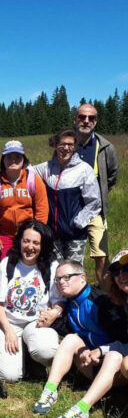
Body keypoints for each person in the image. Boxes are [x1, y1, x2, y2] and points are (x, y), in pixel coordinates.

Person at [34, 258, 128, 418]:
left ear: (83, 278)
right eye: (58, 279)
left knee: (114, 355)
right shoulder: (70, 303)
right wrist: (50, 321)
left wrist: (101, 351)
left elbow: (121, 339)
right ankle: (50, 390)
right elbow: (71, 330)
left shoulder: (102, 302)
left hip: (115, 369)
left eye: (67, 277)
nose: (61, 282)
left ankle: (82, 408)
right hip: (92, 364)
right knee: (70, 339)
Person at [0, 220, 63, 383]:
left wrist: (54, 313)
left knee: (46, 351)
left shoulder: (52, 266)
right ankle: (19, 354)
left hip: (36, 324)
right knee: (9, 376)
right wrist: (8, 330)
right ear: (19, 241)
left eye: (36, 243)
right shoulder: (8, 263)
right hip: (8, 322)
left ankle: (30, 355)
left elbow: (60, 300)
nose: (30, 247)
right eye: (26, 241)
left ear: (43, 245)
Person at [33, 129, 101, 264]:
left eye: (70, 144)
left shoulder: (84, 169)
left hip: (75, 235)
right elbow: (25, 170)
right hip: (53, 234)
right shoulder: (47, 167)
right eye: (62, 144)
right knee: (55, 271)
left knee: (73, 272)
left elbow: (94, 202)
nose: (66, 148)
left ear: (75, 147)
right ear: (55, 145)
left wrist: (78, 222)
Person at [0, 140, 49, 260]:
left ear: (23, 159)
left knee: (29, 270)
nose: (13, 160)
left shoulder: (33, 180)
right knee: (8, 271)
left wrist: (37, 234)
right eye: (9, 157)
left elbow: (42, 210)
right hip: (5, 237)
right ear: (3, 159)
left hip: (28, 235)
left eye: (17, 157)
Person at [74, 103, 119, 284]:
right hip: (71, 209)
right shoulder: (67, 143)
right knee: (72, 256)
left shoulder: (105, 147)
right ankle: (71, 298)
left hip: (96, 211)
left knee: (101, 256)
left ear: (96, 121)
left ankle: (106, 296)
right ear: (75, 119)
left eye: (91, 118)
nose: (86, 121)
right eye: (82, 117)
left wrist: (98, 196)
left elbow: (112, 176)